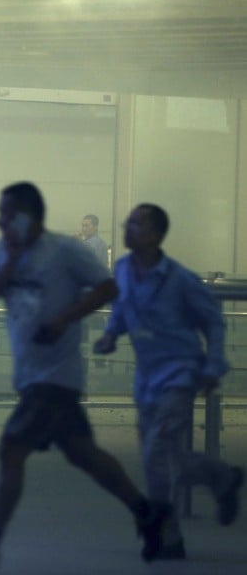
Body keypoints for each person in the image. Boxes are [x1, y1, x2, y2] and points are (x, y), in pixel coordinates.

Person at [0, 182, 169, 573]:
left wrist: (65, 318)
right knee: (84, 454)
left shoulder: (64, 250)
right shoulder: (4, 251)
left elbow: (107, 287)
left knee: (12, 449)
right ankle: (147, 511)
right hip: (30, 372)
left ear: (28, 215)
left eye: (6, 212)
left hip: (54, 375)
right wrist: (12, 261)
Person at [93, 203, 243, 559]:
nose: (127, 228)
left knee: (158, 455)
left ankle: (167, 537)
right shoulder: (125, 268)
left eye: (136, 224)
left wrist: (213, 365)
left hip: (180, 373)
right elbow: (122, 308)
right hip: (148, 378)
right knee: (160, 456)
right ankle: (222, 478)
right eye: (127, 222)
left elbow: (213, 322)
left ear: (156, 236)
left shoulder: (180, 280)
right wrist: (111, 334)